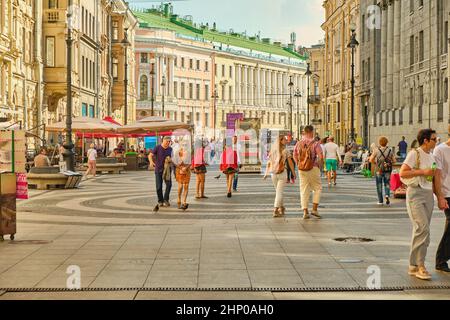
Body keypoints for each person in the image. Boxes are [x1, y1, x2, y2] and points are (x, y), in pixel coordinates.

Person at [400, 129, 440, 280]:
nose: (436, 141)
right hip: (415, 193)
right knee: (422, 228)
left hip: (428, 194)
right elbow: (403, 173)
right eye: (434, 139)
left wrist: (440, 197)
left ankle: (413, 265)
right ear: (425, 140)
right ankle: (420, 265)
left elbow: (434, 176)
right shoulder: (414, 153)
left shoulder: (431, 155)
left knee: (424, 231)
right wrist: (423, 172)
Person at [293, 125, 324, 220]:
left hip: (301, 169)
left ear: (304, 132)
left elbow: (294, 155)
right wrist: (320, 166)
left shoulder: (299, 143)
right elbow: (320, 156)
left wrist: (298, 164)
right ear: (311, 132)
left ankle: (305, 212)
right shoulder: (315, 143)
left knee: (304, 189)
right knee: (317, 188)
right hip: (313, 167)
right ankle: (314, 209)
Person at [432, 130, 450, 273]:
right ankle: (441, 260)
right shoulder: (440, 150)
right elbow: (436, 175)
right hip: (447, 193)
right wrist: (440, 196)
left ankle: (442, 259)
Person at [265, 136, 296, 217]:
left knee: (278, 192)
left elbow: (269, 162)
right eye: (285, 139)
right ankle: (275, 209)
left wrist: (266, 173)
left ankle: (281, 208)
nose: (286, 141)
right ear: (281, 141)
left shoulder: (272, 150)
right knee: (279, 192)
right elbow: (290, 163)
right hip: (282, 173)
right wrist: (293, 173)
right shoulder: (286, 151)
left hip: (273, 173)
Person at [369, 136, 395, 206]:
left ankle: (380, 201)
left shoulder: (376, 150)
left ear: (379, 143)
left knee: (379, 185)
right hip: (387, 170)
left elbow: (370, 160)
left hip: (379, 170)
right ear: (387, 143)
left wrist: (376, 163)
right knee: (387, 183)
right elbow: (394, 161)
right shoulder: (390, 150)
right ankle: (387, 195)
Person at [149, 136, 173, 208]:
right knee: (159, 187)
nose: (168, 143)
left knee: (169, 185)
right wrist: (151, 162)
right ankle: (160, 201)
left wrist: (171, 160)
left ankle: (166, 199)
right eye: (167, 141)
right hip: (158, 169)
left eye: (169, 141)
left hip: (167, 170)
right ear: (163, 141)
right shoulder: (157, 147)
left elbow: (173, 158)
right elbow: (150, 155)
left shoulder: (170, 149)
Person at [173, 143, 191, 210]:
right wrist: (180, 168)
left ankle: (184, 201)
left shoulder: (188, 153)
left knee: (186, 186)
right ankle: (179, 198)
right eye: (183, 145)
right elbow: (174, 162)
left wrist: (186, 168)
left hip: (187, 171)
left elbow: (190, 162)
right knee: (180, 186)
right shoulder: (177, 153)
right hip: (179, 170)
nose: (184, 146)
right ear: (180, 145)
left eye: (186, 145)